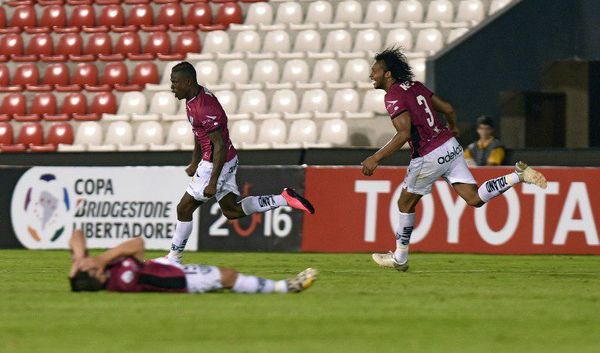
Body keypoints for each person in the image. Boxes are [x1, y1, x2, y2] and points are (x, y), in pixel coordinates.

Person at [361, 47, 547, 271]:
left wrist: (376, 157)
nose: (372, 75)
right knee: (474, 198)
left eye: (375, 70)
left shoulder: (393, 95)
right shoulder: (416, 86)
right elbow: (448, 108)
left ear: (388, 74)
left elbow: (403, 133)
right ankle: (518, 176)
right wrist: (454, 126)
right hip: (450, 145)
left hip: (428, 154)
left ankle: (400, 257)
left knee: (404, 203)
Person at [166, 61, 315, 263]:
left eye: (175, 82)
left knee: (183, 208)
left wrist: (212, 181)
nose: (172, 87)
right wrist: (194, 161)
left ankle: (174, 259)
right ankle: (283, 198)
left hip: (216, 162)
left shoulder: (204, 107)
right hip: (224, 158)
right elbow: (199, 132)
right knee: (232, 211)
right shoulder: (193, 98)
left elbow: (217, 145)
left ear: (187, 81)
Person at [68, 229, 318, 294]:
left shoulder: (94, 270)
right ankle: (283, 288)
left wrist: (80, 259)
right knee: (227, 276)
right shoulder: (122, 279)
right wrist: (100, 259)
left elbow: (76, 234)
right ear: (97, 276)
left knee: (226, 277)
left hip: (160, 266)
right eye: (91, 267)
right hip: (174, 280)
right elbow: (137, 245)